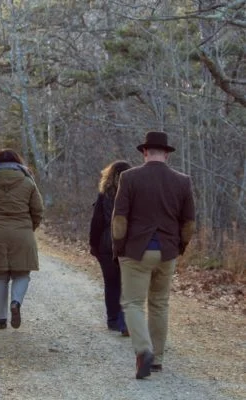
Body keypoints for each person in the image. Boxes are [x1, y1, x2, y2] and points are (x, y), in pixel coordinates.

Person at [112, 131, 195, 379]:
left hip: (136, 252)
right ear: (167, 153)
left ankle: (143, 350)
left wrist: (119, 248)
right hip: (167, 251)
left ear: (145, 152)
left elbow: (119, 219)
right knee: (159, 303)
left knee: (133, 303)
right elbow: (189, 223)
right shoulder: (182, 181)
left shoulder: (128, 178)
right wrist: (179, 247)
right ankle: (157, 359)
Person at [0, 149, 44, 329]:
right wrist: (29, 228)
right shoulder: (28, 182)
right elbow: (38, 210)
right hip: (22, 232)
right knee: (22, 273)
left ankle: (1, 319)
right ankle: (16, 303)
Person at [89, 160, 131, 336]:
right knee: (127, 284)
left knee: (111, 283)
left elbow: (96, 223)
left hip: (106, 244)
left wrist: (93, 245)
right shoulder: (133, 195)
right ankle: (125, 320)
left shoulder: (104, 195)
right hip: (128, 243)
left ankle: (113, 319)